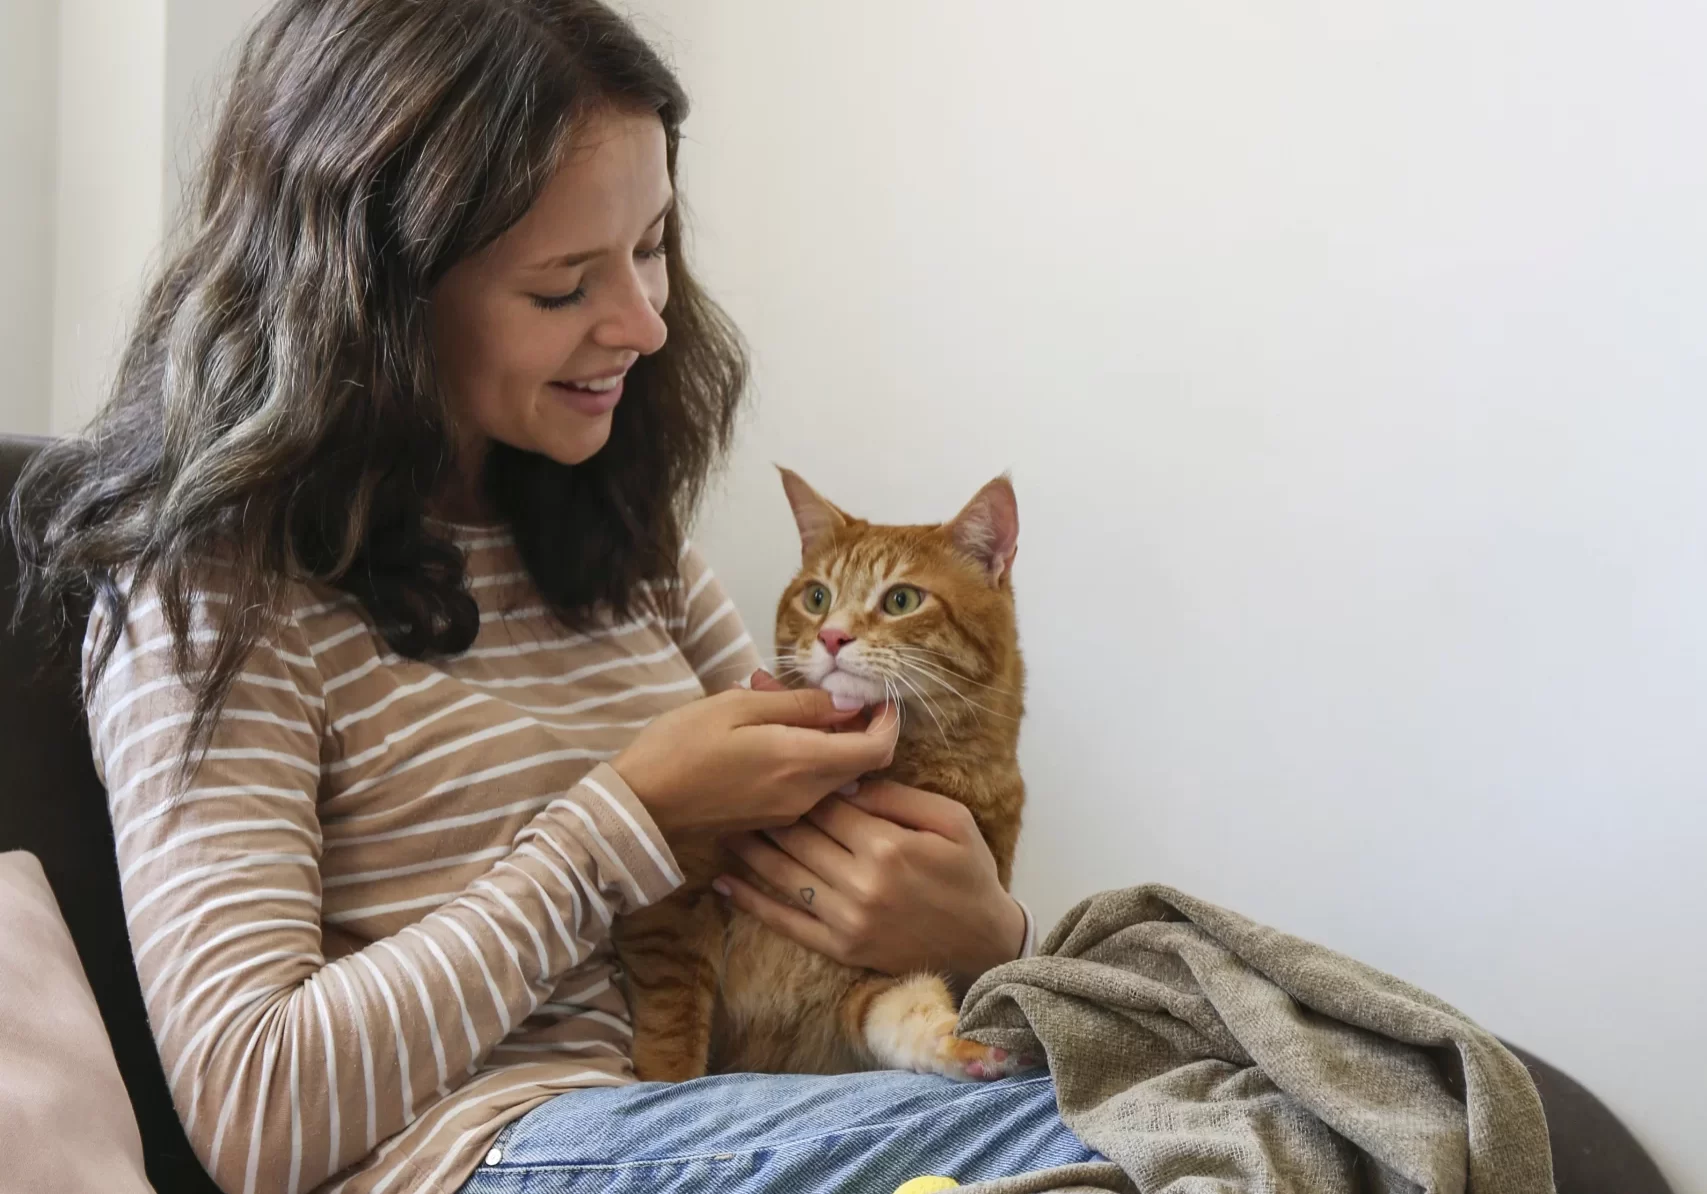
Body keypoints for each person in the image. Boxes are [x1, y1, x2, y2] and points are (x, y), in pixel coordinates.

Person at [9, 2, 1098, 1192]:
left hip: (724, 1107)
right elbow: (254, 1111)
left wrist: (988, 937)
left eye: (653, 245)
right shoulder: (211, 590)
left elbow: (808, 923)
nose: (643, 321)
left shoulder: (629, 543)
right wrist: (620, 824)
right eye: (564, 286)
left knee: (1218, 1082)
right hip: (501, 1148)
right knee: (1124, 1132)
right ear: (376, 296)